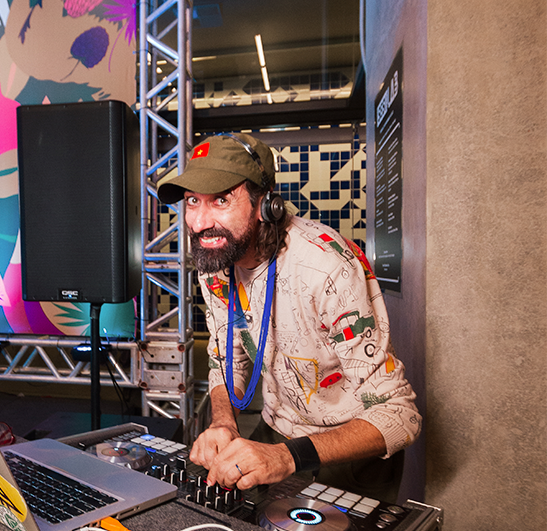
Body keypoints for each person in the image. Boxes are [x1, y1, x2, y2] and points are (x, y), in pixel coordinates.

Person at [157, 132, 420, 501]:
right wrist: (223, 422)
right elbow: (226, 359)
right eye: (192, 202)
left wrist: (286, 457)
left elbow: (400, 415)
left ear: (266, 204)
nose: (200, 223)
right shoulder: (216, 263)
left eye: (221, 200)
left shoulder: (325, 266)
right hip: (276, 431)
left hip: (349, 451)